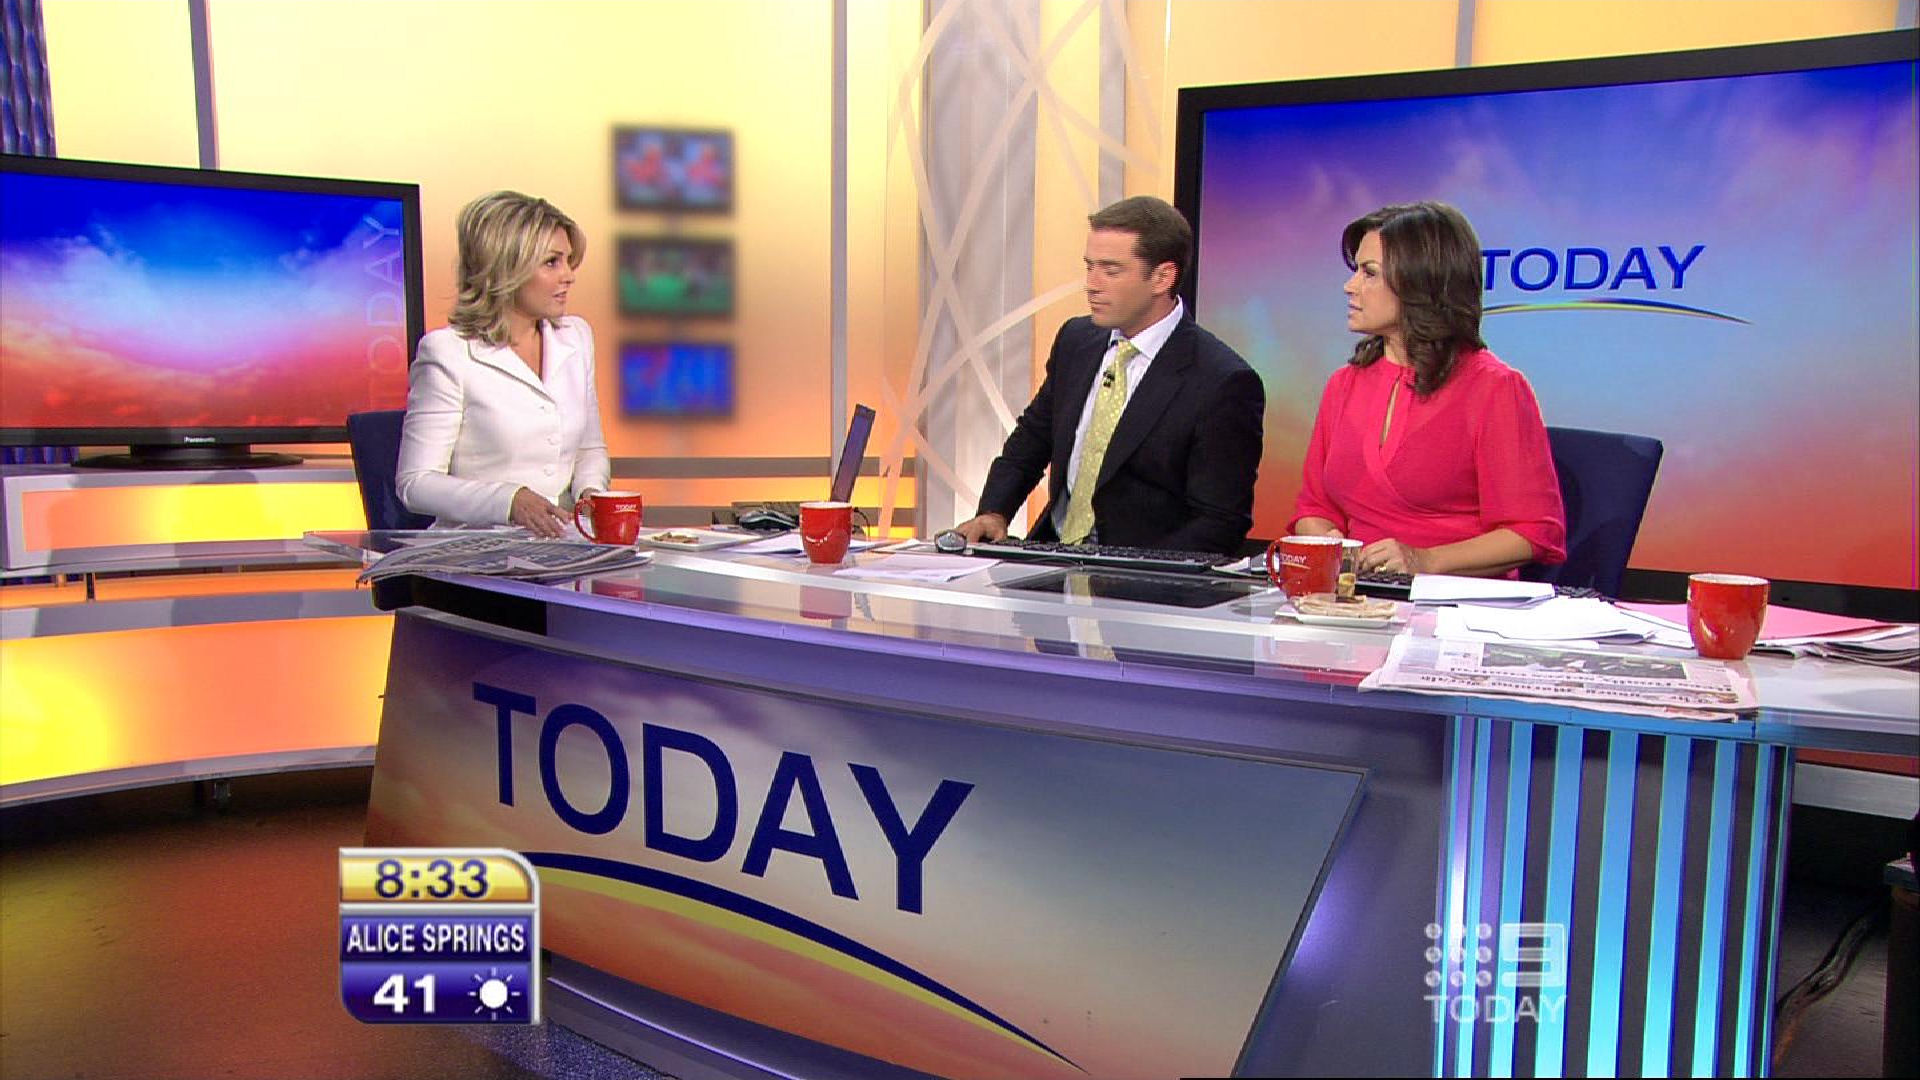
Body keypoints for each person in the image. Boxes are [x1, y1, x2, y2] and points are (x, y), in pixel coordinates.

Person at [951, 196, 1264, 554]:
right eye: (1090, 267)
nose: (1092, 284)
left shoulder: (1222, 381)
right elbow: (1033, 438)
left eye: (1111, 271)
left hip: (1144, 574)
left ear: (1162, 277)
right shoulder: (1076, 340)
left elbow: (1220, 522)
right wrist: (994, 511)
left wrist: (1132, 573)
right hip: (1053, 556)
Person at [1290, 201, 1565, 577]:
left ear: (1419, 283)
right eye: (1356, 271)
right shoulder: (1343, 385)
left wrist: (1425, 561)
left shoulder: (1495, 389)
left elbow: (1531, 532)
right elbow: (1315, 508)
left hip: (1453, 602)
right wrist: (1328, 545)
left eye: (1369, 273)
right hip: (1356, 595)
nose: (1350, 286)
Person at [396, 191, 610, 537]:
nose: (569, 275)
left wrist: (591, 495)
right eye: (552, 262)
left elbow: (589, 448)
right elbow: (415, 483)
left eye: (569, 261)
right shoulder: (448, 353)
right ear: (506, 268)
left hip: (562, 543)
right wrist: (509, 501)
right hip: (475, 549)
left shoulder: (576, 337)